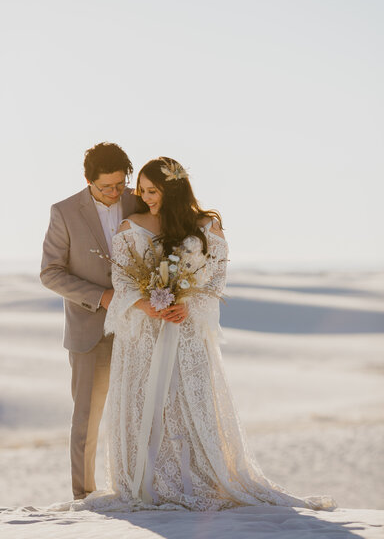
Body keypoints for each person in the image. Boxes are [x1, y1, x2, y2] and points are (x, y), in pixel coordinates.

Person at [71, 157, 336, 512]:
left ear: (173, 188)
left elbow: (214, 282)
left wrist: (187, 306)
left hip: (187, 331)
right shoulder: (129, 227)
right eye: (143, 191)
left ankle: (198, 476)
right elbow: (121, 280)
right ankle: (145, 479)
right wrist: (146, 304)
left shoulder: (207, 227)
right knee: (146, 404)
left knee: (189, 403)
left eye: (153, 191)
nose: (145, 197)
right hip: (144, 335)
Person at [40, 142, 138, 500]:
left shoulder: (139, 199)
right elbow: (50, 273)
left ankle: (139, 489)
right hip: (89, 330)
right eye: (106, 187)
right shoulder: (64, 212)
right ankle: (84, 496)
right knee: (87, 420)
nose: (115, 193)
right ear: (88, 180)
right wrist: (102, 297)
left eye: (119, 184)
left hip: (140, 328)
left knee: (140, 412)